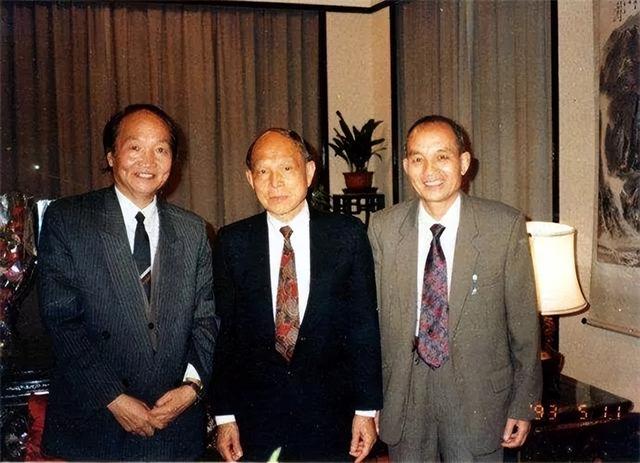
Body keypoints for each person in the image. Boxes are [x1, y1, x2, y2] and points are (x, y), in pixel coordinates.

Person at [37, 104, 218, 460]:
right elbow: (61, 320)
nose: (148, 160)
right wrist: (113, 398)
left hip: (174, 427)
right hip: (96, 425)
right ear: (111, 155)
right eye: (135, 147)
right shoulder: (68, 220)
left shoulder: (193, 231)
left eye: (161, 149)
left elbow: (206, 320)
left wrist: (191, 387)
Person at [368, 115, 542, 462]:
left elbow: (524, 327)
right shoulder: (383, 228)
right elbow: (369, 324)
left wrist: (524, 404)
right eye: (418, 158)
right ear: (406, 166)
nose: (429, 170)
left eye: (442, 157)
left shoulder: (503, 226)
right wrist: (367, 403)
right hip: (405, 393)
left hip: (478, 399)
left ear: (463, 163)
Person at [212, 128, 382, 462]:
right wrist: (225, 416)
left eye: (286, 168)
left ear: (309, 171)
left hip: (332, 420)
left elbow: (363, 327)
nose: (274, 181)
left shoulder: (346, 236)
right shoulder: (232, 243)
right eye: (263, 171)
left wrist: (366, 409)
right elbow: (224, 334)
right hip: (255, 423)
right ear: (250, 178)